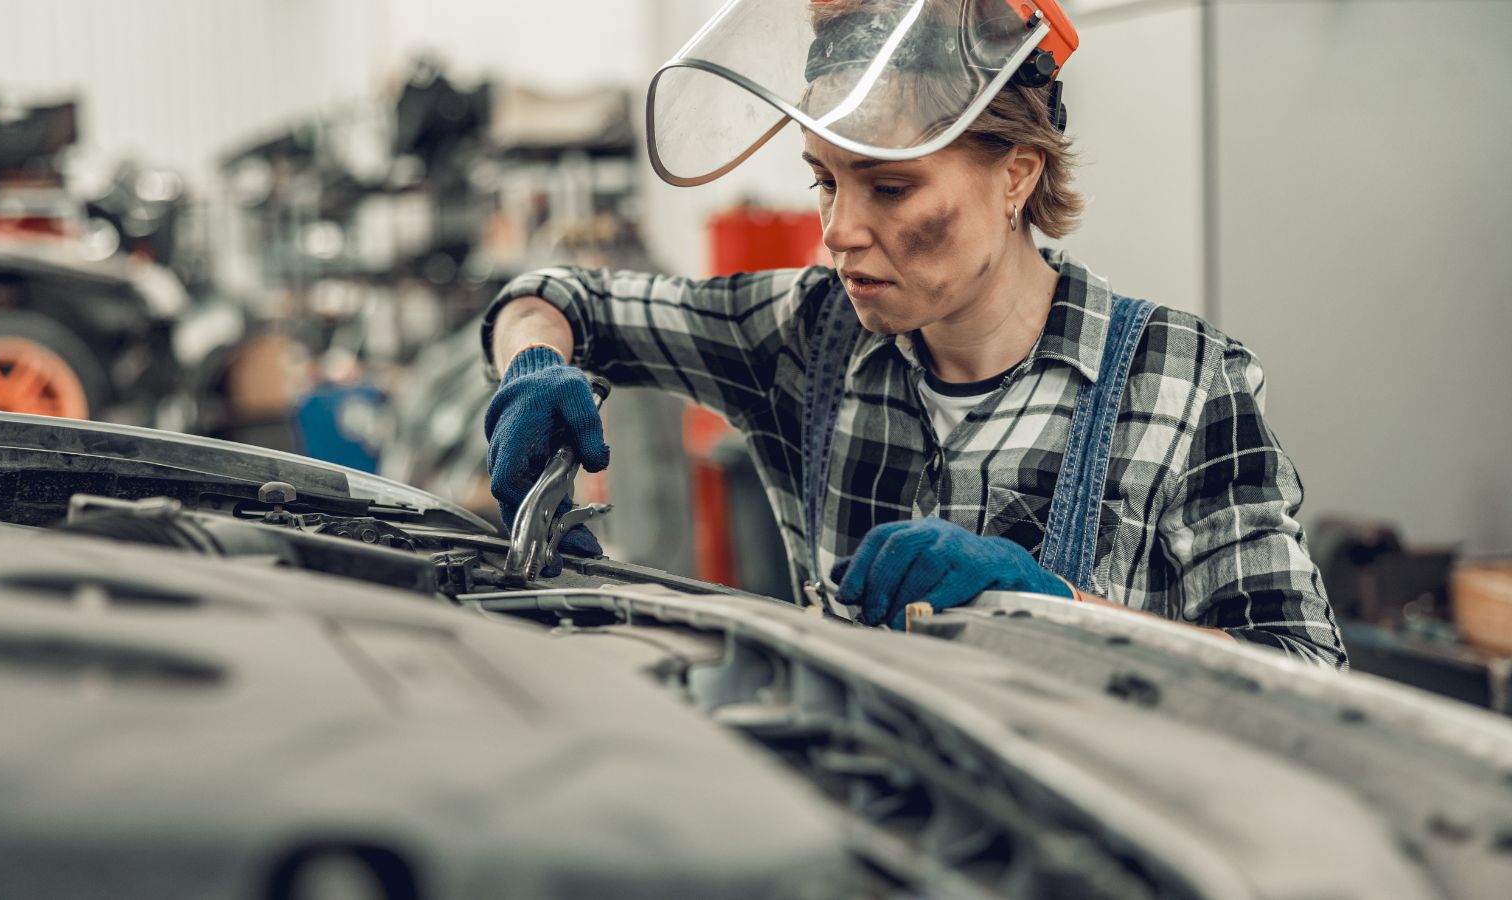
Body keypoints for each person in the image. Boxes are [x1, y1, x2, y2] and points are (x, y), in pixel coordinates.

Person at [480, 0, 1346, 668]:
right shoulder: (804, 337)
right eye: (824, 180)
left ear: (1017, 175)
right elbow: (556, 295)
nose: (838, 231)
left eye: (889, 189)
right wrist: (532, 362)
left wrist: (1055, 612)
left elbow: (1307, 681)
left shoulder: (1185, 383)